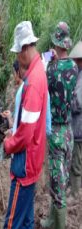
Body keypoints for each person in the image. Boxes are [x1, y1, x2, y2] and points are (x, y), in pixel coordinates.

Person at [4, 21, 48, 229]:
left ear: (23, 49)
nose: (17, 62)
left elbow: (25, 135)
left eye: (17, 54)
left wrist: (8, 143)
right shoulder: (39, 71)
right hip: (34, 162)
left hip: (24, 164)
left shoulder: (32, 84)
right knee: (27, 223)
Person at [41, 22, 78, 229]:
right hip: (69, 131)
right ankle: (53, 219)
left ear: (55, 43)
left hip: (55, 131)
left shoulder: (51, 70)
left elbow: (45, 91)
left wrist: (48, 61)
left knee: (56, 183)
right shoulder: (74, 67)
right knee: (62, 181)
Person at [68, 40, 82, 199]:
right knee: (75, 160)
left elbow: (77, 104)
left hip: (79, 128)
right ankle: (73, 189)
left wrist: (68, 101)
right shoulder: (78, 76)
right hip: (77, 126)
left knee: (76, 163)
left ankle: (76, 193)